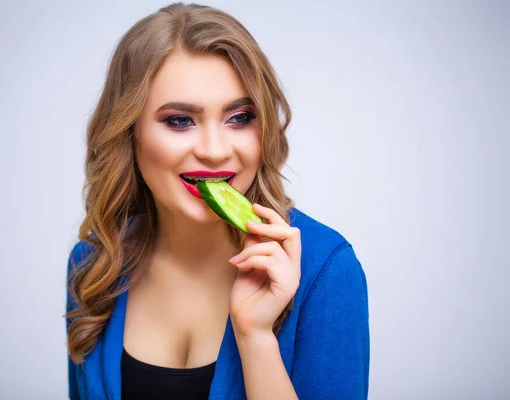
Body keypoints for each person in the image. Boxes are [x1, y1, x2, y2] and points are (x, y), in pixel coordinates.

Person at [65, 2, 369, 399]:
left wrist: (256, 337)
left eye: (240, 117)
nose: (214, 150)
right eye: (179, 120)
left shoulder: (325, 269)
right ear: (128, 131)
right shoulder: (94, 263)